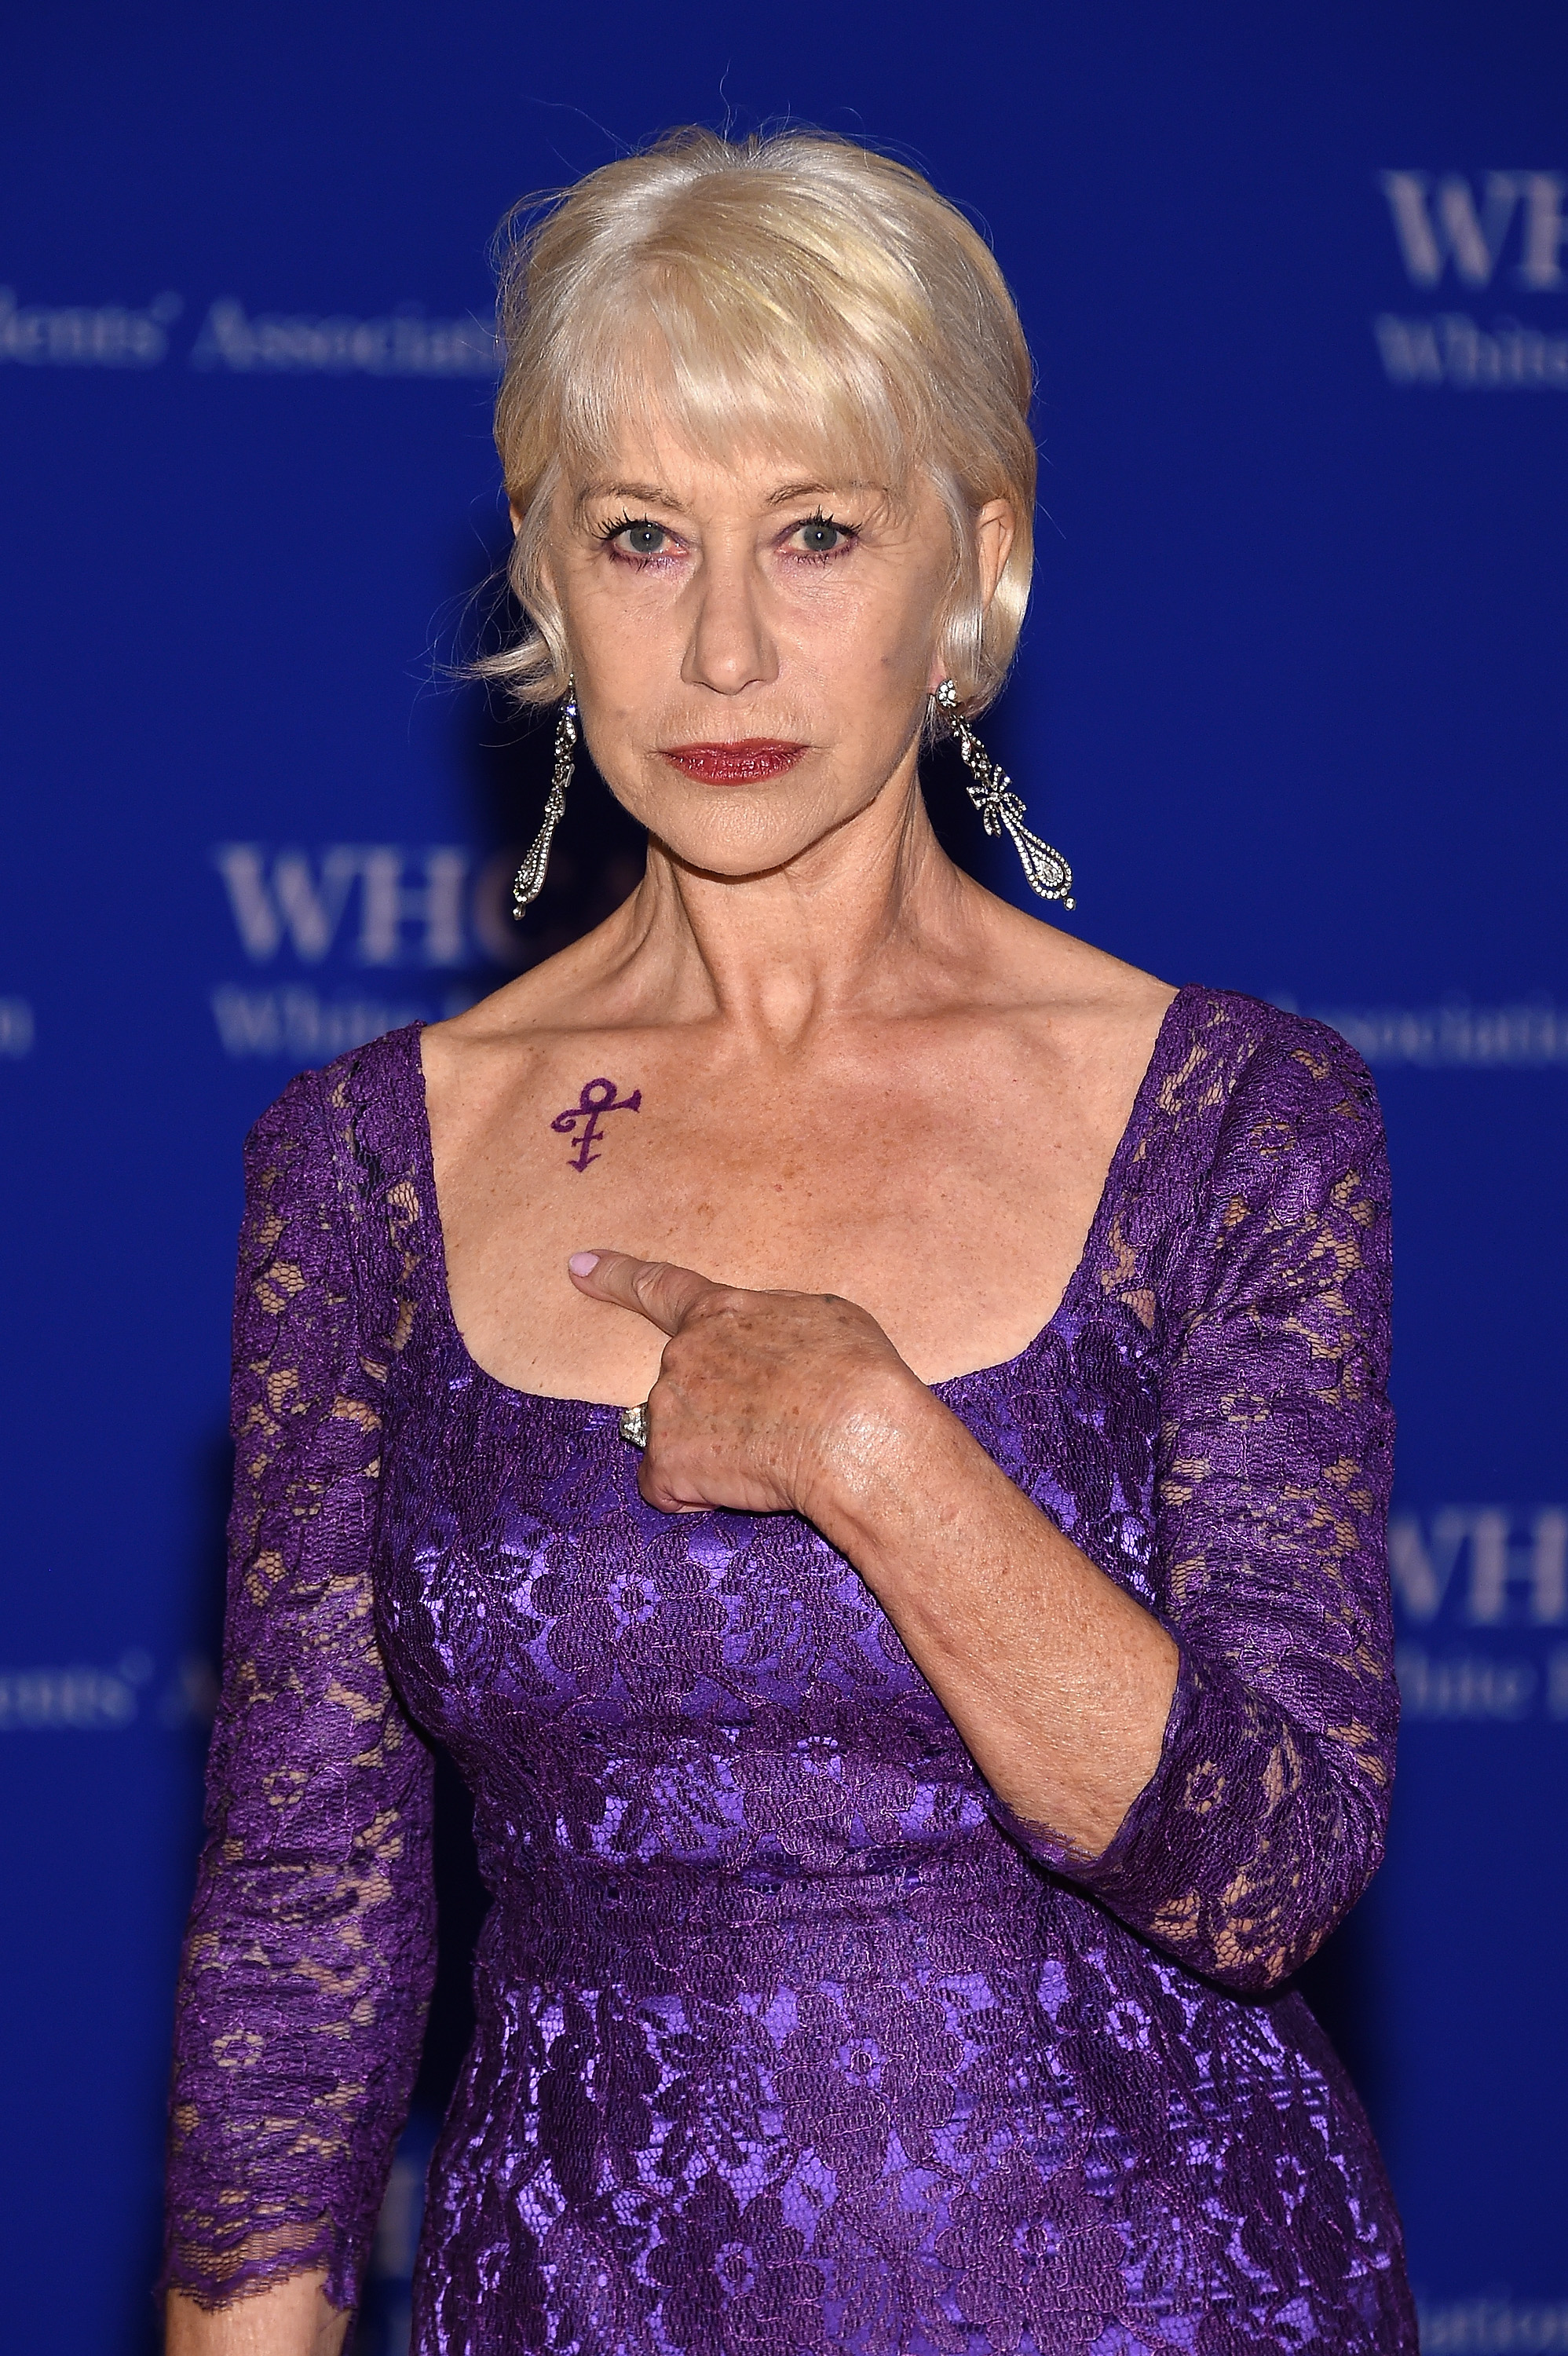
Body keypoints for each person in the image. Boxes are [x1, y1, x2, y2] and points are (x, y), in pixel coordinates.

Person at [162, 126, 1414, 2355]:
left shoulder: (1234, 1120)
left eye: (818, 533)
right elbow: (296, 1958)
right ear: (548, 576)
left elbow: (1272, 1869)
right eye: (641, 537)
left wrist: (874, 1451)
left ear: (977, 566)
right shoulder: (365, 1163)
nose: (723, 643)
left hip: (1157, 2299)